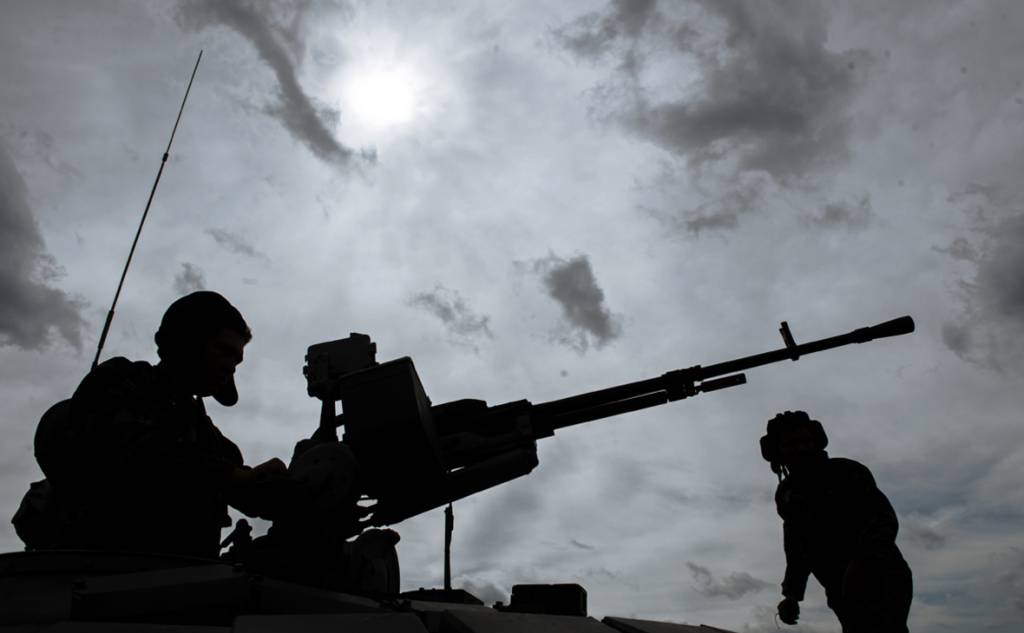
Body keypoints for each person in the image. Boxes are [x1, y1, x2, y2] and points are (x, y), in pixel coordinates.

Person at [17, 291, 292, 558]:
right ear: (188, 343)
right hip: (101, 567)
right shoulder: (119, 384)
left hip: (180, 576)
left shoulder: (206, 434)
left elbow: (239, 482)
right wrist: (234, 479)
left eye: (237, 360)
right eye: (224, 351)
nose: (231, 366)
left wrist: (273, 486)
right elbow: (141, 457)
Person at [760, 410, 913, 632]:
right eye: (791, 444)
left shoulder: (847, 471)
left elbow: (883, 518)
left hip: (882, 575)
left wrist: (863, 562)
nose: (801, 448)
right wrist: (792, 594)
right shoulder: (787, 494)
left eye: (805, 441)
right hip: (838, 587)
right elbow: (796, 547)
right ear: (778, 451)